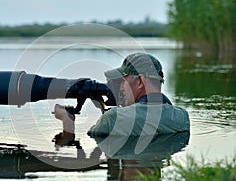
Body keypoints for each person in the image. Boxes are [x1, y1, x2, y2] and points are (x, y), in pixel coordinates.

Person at [54, 52, 190, 137]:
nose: (120, 88)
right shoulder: (182, 116)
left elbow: (70, 143)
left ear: (140, 81)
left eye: (123, 81)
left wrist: (67, 120)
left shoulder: (113, 118)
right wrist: (105, 111)